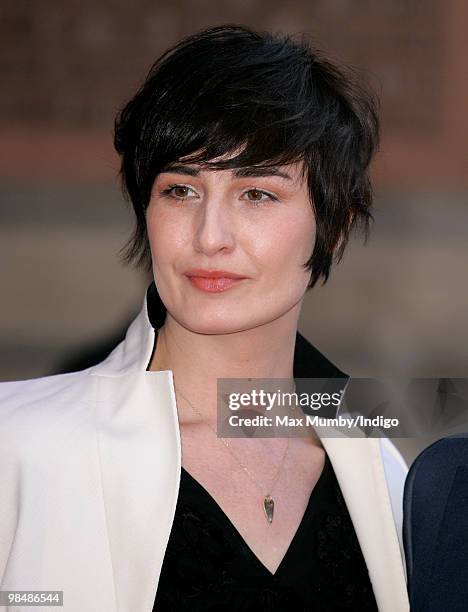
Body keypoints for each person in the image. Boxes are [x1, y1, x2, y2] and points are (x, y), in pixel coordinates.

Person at [0, 24, 410, 611]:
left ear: (335, 228)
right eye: (180, 190)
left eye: (258, 194)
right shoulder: (17, 446)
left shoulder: (383, 473)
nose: (208, 237)